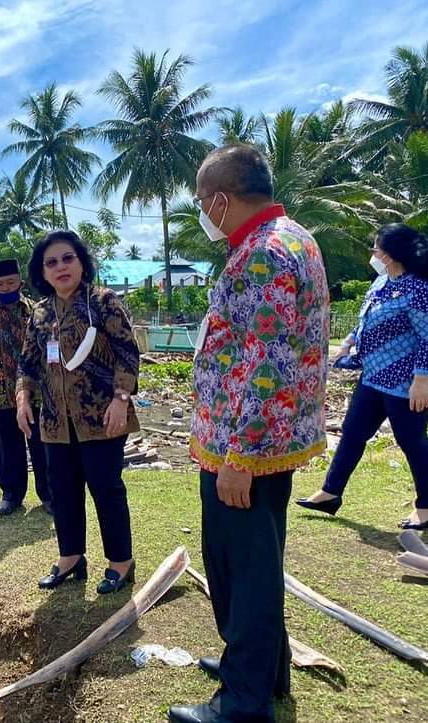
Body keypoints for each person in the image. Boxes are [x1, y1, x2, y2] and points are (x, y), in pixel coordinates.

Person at [170, 144, 329, 723]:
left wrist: (240, 454)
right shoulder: (294, 237)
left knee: (243, 568)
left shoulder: (262, 254)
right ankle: (264, 668)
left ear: (219, 199)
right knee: (257, 561)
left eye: (200, 200)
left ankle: (243, 701)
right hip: (264, 438)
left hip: (246, 447)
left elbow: (267, 361)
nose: (201, 212)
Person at [16, 230, 140, 594]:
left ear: (82, 262)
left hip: (101, 416)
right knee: (63, 490)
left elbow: (127, 352)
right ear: (42, 272)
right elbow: (27, 362)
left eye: (67, 258)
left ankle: (121, 561)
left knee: (106, 488)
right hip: (55, 421)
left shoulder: (102, 302)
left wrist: (121, 399)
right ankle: (71, 558)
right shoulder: (40, 312)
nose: (60, 267)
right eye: (51, 262)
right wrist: (23, 398)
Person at [297, 223, 428, 530]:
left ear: (392, 254)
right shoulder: (381, 282)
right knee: (353, 433)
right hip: (372, 377)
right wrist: (347, 343)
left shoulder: (418, 290)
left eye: (376, 249)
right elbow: (366, 320)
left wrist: (422, 380)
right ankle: (330, 493)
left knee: (411, 442)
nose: (373, 254)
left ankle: (425, 505)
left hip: (404, 384)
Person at [0, 258, 51, 516]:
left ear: (20, 282)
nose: (5, 288)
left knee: (42, 446)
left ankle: (49, 496)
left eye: (10, 283)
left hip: (37, 395)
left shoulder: (36, 312)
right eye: (0, 284)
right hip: (2, 394)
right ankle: (11, 495)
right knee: (7, 450)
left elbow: (52, 349)